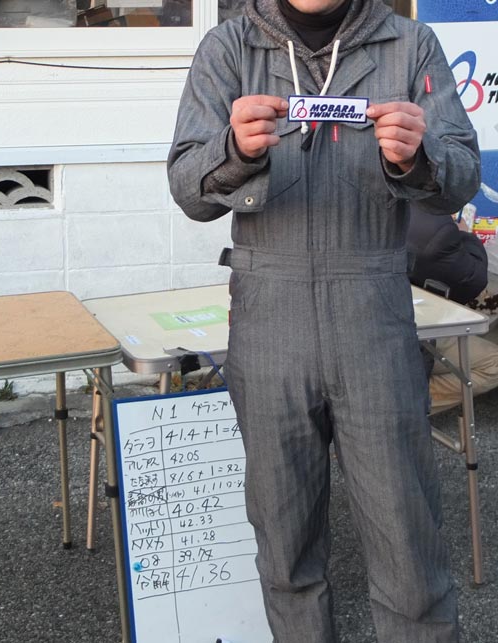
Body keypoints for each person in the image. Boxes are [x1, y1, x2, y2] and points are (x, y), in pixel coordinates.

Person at [167, 0, 480, 641]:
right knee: (285, 542)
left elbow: (463, 176)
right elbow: (186, 188)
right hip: (268, 316)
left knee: (408, 539)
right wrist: (233, 150)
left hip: (375, 313)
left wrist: (417, 159)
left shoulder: (410, 44)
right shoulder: (229, 48)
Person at [407, 207, 498, 413]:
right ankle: (409, 402)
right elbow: (473, 281)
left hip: (374, 317)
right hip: (410, 329)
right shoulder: (435, 230)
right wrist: (465, 235)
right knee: (493, 365)